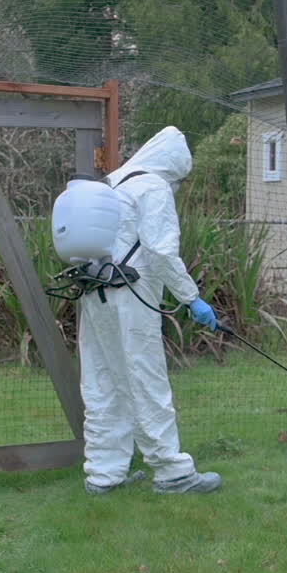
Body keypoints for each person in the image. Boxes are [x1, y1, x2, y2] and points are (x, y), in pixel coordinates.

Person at [78, 126, 222, 496]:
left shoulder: (112, 182)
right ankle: (172, 472)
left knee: (102, 382)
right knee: (146, 377)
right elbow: (160, 253)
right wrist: (192, 299)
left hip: (94, 291)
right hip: (130, 293)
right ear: (173, 167)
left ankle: (103, 474)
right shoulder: (153, 187)